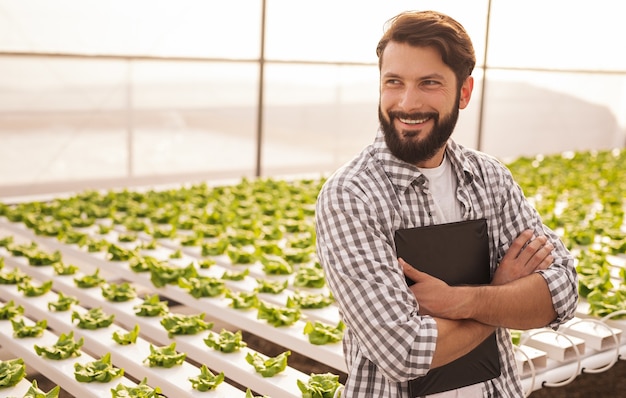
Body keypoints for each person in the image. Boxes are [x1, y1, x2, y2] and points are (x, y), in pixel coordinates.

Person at [315, 10, 579, 397]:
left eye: (429, 83)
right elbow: (403, 351)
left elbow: (563, 292)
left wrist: (461, 299)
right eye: (394, 82)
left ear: (464, 92)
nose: (407, 102)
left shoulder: (490, 178)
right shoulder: (352, 195)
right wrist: (500, 292)